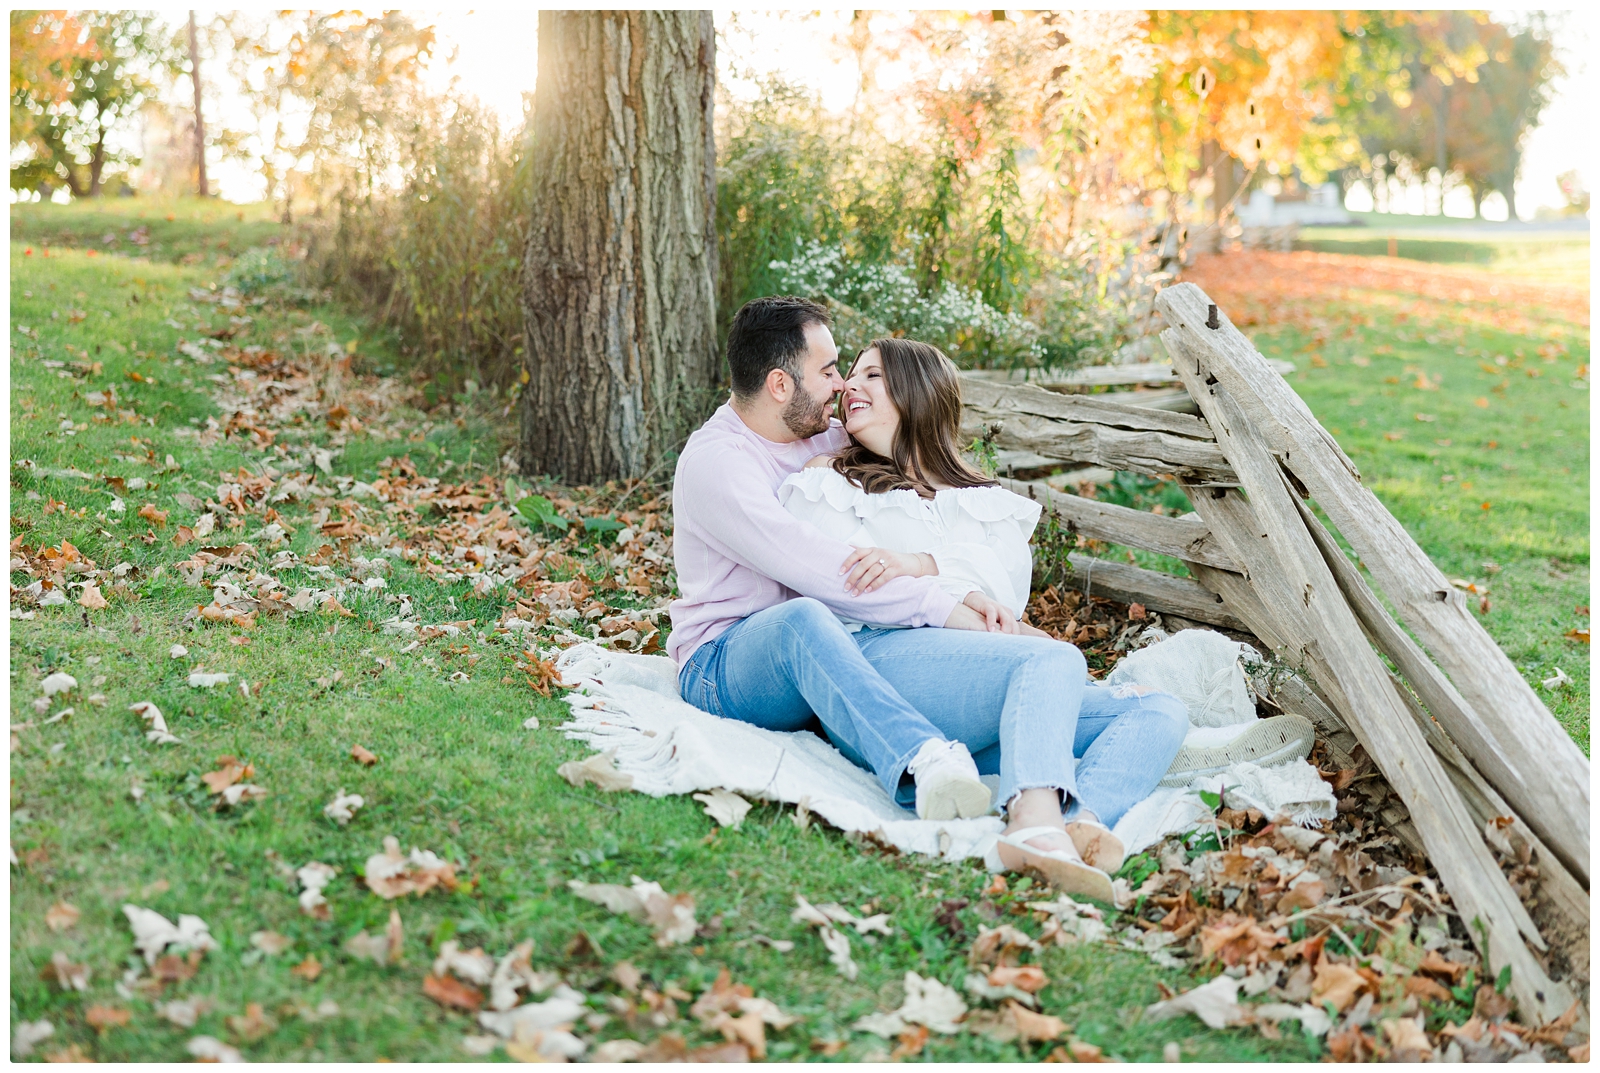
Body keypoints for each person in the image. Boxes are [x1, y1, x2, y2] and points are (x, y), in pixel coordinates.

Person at [669, 297, 1187, 900]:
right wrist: (951, 608)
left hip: (868, 663)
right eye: (834, 370)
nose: (843, 389)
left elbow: (982, 553)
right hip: (736, 657)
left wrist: (946, 578)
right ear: (781, 384)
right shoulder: (730, 466)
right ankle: (962, 782)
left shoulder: (821, 435)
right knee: (811, 619)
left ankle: (1079, 823)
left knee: (1157, 709)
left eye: (862, 375)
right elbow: (830, 576)